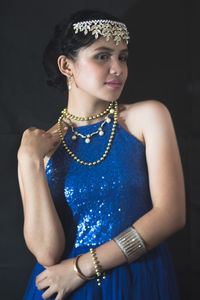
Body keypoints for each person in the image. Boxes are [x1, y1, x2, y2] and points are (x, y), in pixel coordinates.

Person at [17, 9, 186, 300]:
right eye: (102, 56)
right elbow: (47, 252)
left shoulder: (146, 117)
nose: (118, 68)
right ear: (66, 66)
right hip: (63, 289)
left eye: (122, 57)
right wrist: (28, 162)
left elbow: (171, 215)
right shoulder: (43, 146)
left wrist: (80, 268)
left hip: (137, 279)